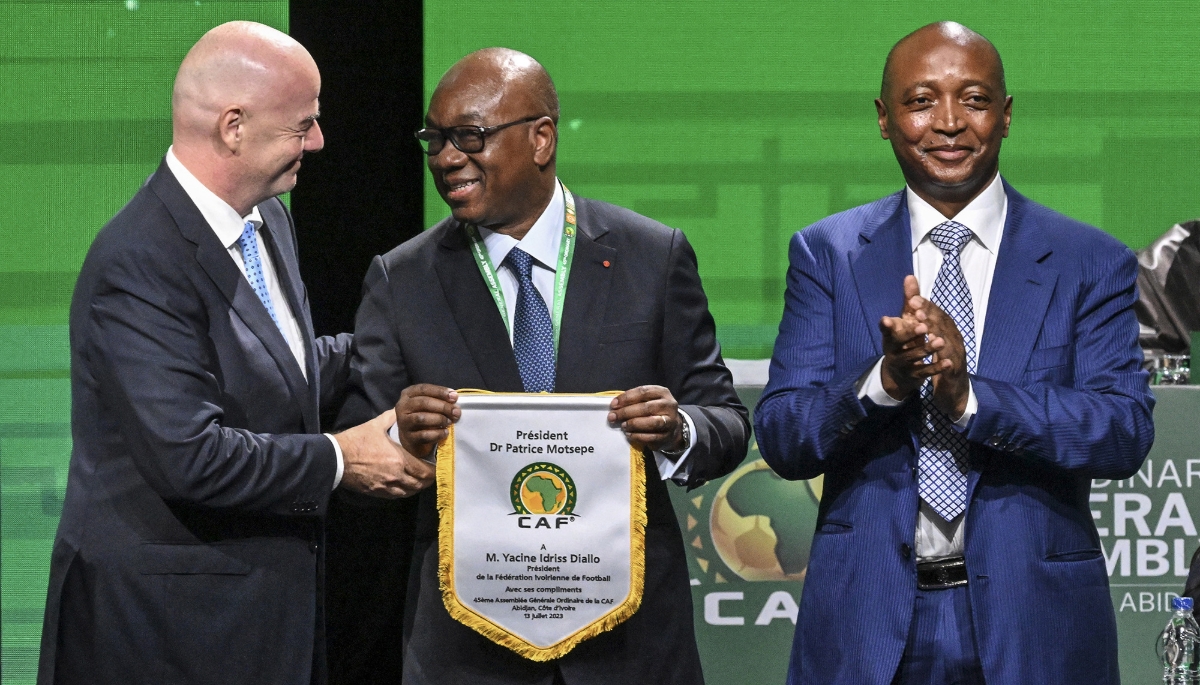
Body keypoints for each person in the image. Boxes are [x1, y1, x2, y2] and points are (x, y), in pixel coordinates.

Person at [329, 48, 749, 685]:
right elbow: (367, 449)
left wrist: (677, 427)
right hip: (467, 653)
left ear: (541, 138)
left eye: (470, 136)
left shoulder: (651, 256)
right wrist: (400, 432)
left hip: (630, 648)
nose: (446, 158)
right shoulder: (401, 277)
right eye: (435, 139)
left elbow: (726, 420)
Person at [754, 22, 1154, 685]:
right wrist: (885, 380)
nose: (947, 122)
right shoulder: (826, 253)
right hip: (868, 625)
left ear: (1005, 115)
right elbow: (783, 434)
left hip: (1037, 626)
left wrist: (970, 396)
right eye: (919, 101)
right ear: (885, 119)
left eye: (972, 99)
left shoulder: (1090, 260)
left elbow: (1123, 431)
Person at [37, 21, 433, 685]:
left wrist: (408, 346)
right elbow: (191, 455)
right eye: (302, 124)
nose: (319, 141)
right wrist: (342, 458)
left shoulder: (265, 217)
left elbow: (282, 363)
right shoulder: (138, 262)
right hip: (164, 632)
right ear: (232, 127)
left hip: (259, 616)